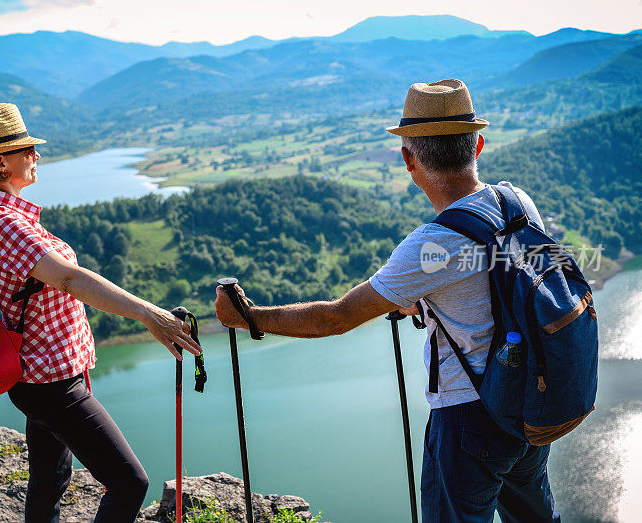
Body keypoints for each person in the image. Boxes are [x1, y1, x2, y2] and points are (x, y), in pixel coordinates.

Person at [214, 80, 559, 522]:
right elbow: (499, 284)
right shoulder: (518, 203)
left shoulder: (430, 247)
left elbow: (335, 318)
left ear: (408, 159)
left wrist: (249, 317)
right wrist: (428, 300)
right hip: (529, 402)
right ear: (478, 145)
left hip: (468, 421)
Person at [0, 103, 202, 522]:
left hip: (42, 374)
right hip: (50, 383)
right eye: (27, 149)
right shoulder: (4, 224)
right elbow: (72, 279)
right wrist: (150, 315)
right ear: (0, 162)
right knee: (128, 483)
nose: (35, 155)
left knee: (50, 478)